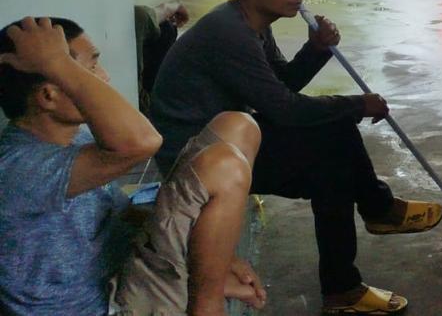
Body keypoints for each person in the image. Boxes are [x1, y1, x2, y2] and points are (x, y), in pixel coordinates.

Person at [148, 0, 442, 315]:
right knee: (333, 144)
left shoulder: (251, 23)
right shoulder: (229, 33)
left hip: (224, 142)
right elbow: (284, 110)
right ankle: (371, 222)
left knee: (333, 157)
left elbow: (279, 87)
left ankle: (351, 270)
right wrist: (356, 104)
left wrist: (316, 49)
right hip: (193, 162)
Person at [0, 16, 265, 315]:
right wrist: (56, 62)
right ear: (49, 95)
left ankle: (205, 285)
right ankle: (207, 306)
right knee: (225, 166)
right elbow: (143, 142)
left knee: (237, 125)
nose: (104, 77)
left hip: (129, 271)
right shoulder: (18, 169)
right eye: (90, 70)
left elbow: (123, 213)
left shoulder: (75, 138)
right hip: (105, 305)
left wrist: (212, 255)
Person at [135, 1, 189, 114]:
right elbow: (139, 17)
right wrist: (168, 8)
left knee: (165, 28)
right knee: (167, 29)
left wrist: (167, 8)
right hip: (139, 103)